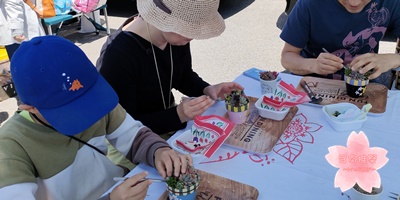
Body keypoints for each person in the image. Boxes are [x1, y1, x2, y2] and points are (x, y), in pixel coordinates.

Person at [0, 35, 192, 199]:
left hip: (119, 187)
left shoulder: (94, 100)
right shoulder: (10, 146)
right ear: (29, 108)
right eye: (67, 110)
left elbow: (132, 135)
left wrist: (157, 150)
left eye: (86, 99)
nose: (85, 112)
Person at [96, 0, 244, 135]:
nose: (193, 35)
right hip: (134, 144)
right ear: (164, 20)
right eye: (189, 28)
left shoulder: (175, 37)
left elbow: (183, 75)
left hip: (170, 123)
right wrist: (178, 115)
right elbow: (121, 126)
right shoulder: (117, 56)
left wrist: (206, 89)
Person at [280, 0, 400, 88]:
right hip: (312, 84)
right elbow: (287, 57)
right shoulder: (309, 4)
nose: (354, 3)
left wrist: (393, 59)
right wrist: (313, 65)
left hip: (363, 84)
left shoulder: (393, 3)